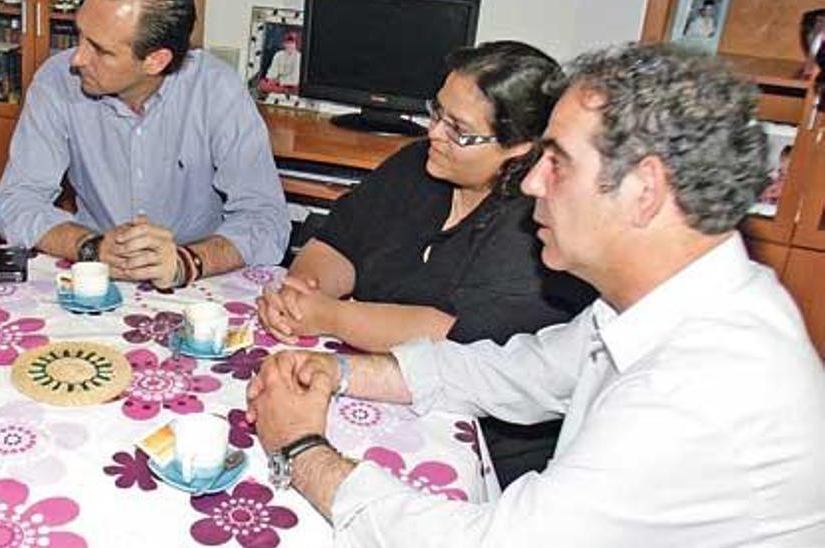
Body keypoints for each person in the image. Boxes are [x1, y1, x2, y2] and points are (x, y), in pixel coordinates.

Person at [246, 44, 825, 545]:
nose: (529, 182)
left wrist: (300, 448)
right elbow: (519, 373)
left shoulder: (700, 393)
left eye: (558, 163)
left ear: (643, 191)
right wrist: (340, 372)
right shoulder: (664, 303)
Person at [257, 41, 595, 487]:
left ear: (520, 149)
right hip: (374, 384)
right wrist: (304, 288)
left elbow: (447, 333)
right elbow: (343, 238)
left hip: (473, 438)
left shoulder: (535, 225)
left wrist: (331, 316)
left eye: (459, 130)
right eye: (437, 113)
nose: (434, 133)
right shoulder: (418, 164)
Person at [0, 0, 289, 290]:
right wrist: (91, 247)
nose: (76, 59)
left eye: (100, 50)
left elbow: (265, 218)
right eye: (80, 35)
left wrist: (187, 262)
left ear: (155, 61)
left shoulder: (217, 90)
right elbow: (15, 202)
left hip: (198, 280)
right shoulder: (56, 81)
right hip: (95, 273)